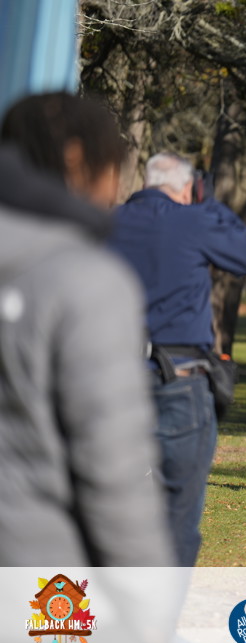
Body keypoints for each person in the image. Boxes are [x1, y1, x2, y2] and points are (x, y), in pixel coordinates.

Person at [0, 92, 174, 566]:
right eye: (112, 164)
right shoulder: (84, 279)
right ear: (76, 160)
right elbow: (112, 461)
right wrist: (146, 590)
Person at [108, 152, 246, 568]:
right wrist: (209, 204)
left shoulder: (103, 223)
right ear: (187, 187)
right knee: (178, 507)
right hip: (179, 378)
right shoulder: (193, 220)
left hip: (112, 378)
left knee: (109, 502)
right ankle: (161, 605)